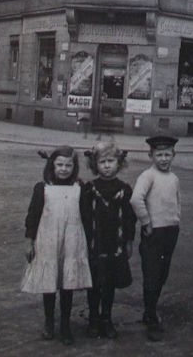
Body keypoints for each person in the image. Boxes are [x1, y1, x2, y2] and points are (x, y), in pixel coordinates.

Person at [21, 146, 92, 344]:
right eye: (59, 164)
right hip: (48, 240)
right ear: (52, 165)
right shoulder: (42, 188)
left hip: (72, 241)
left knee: (67, 285)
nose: (63, 169)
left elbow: (87, 218)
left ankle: (65, 325)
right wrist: (29, 241)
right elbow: (33, 217)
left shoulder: (79, 188)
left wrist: (88, 243)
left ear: (74, 167)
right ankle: (49, 322)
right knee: (50, 284)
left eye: (68, 165)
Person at [81, 138, 136, 339]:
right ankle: (93, 318)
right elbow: (84, 217)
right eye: (102, 162)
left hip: (115, 244)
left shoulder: (124, 189)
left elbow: (130, 218)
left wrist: (129, 240)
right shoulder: (89, 189)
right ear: (95, 165)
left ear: (118, 163)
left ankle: (107, 318)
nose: (106, 166)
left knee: (110, 282)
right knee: (94, 282)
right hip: (94, 244)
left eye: (110, 161)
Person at [130, 134, 180, 342]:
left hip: (170, 231)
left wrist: (177, 220)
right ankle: (151, 317)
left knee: (162, 274)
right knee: (152, 274)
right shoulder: (147, 176)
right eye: (159, 155)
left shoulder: (174, 178)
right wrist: (146, 222)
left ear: (173, 155)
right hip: (153, 232)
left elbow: (177, 202)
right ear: (151, 155)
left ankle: (150, 310)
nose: (163, 159)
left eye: (167, 154)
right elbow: (135, 199)